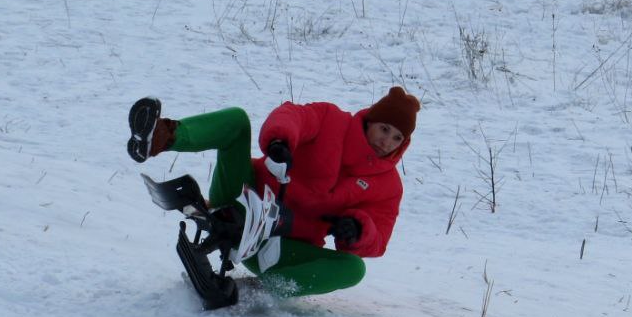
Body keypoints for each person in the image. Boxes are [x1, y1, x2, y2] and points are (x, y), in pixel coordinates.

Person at [127, 86, 421, 297]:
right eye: (384, 129)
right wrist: (280, 141)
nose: (387, 141)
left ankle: (260, 291)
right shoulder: (332, 120)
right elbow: (293, 116)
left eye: (397, 137)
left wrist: (358, 230)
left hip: (275, 248)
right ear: (370, 121)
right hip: (243, 201)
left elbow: (378, 238)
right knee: (237, 121)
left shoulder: (388, 186)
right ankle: (160, 137)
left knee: (353, 269)